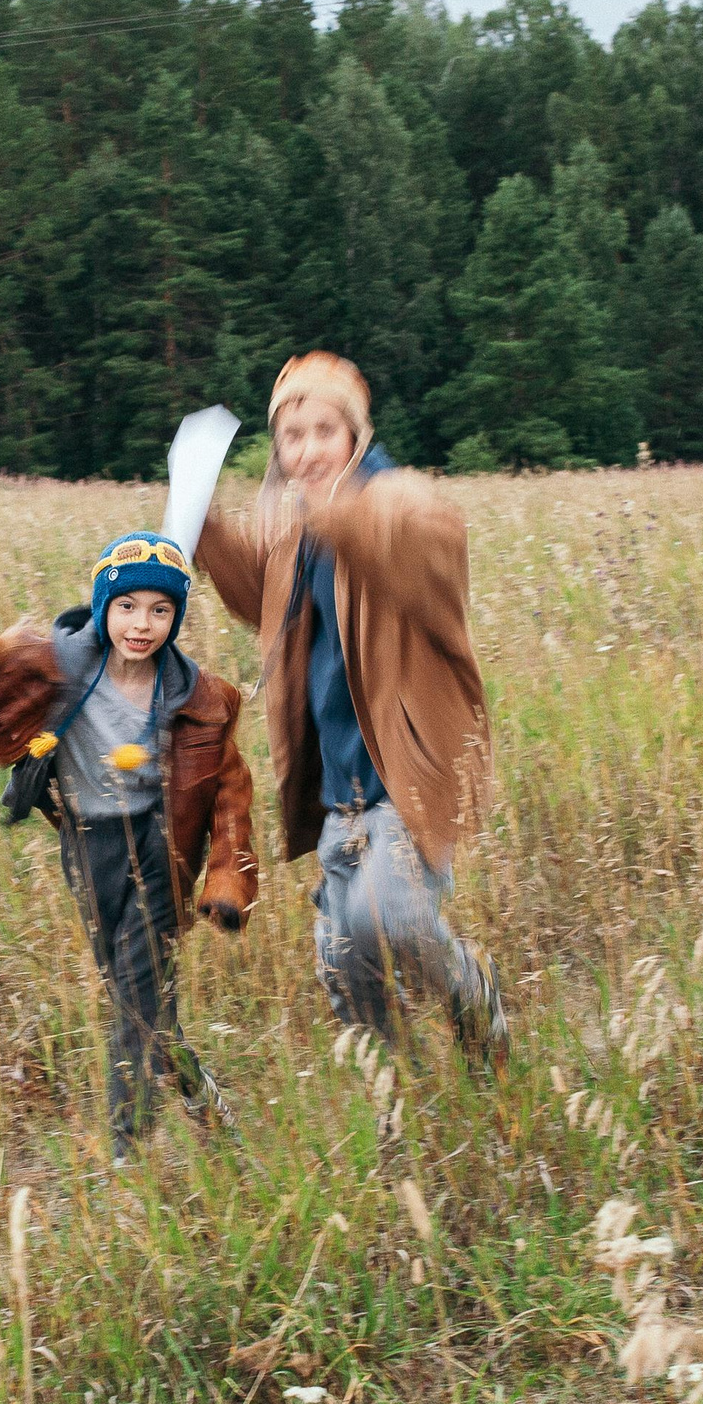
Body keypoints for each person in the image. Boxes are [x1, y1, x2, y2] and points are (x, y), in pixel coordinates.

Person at [0, 528, 260, 1161]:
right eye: (127, 606)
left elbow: (232, 792)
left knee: (134, 998)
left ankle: (126, 1156)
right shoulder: (55, 666)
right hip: (88, 847)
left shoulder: (199, 699)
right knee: (139, 1001)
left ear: (176, 617)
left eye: (161, 610)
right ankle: (200, 1093)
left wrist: (226, 881)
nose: (142, 624)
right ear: (104, 607)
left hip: (159, 851)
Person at [198, 352, 509, 1071]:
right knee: (344, 965)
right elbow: (267, 601)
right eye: (292, 436)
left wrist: (323, 514)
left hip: (408, 775)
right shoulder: (300, 529)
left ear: (357, 436)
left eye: (324, 431)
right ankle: (406, 1097)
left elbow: (404, 539)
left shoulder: (401, 502)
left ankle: (474, 1003)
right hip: (341, 795)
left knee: (390, 915)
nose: (306, 451)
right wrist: (203, 526)